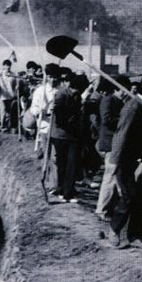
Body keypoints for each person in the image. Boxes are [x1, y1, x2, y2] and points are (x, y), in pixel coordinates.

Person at [108, 76, 142, 249]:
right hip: (127, 160)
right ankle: (114, 229)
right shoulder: (133, 107)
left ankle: (136, 236)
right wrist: (114, 162)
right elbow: (121, 134)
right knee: (128, 195)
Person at [94, 75, 130, 220]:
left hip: (116, 143)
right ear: (116, 89)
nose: (125, 93)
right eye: (123, 90)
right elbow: (106, 119)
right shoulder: (108, 100)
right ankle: (101, 210)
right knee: (110, 177)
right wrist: (125, 120)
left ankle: (108, 208)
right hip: (109, 143)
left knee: (114, 178)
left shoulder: (120, 101)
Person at [51, 73, 90, 203]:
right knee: (62, 164)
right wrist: (71, 124)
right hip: (60, 135)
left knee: (72, 163)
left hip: (73, 136)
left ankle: (68, 192)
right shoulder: (62, 94)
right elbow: (59, 117)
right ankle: (61, 190)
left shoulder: (77, 96)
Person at [0, 59, 21, 132]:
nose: (8, 67)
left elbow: (16, 84)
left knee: (8, 112)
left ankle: (7, 126)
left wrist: (17, 86)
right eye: (6, 66)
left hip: (10, 96)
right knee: (3, 110)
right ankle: (3, 127)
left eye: (9, 66)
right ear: (3, 66)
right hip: (0, 96)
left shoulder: (13, 74)